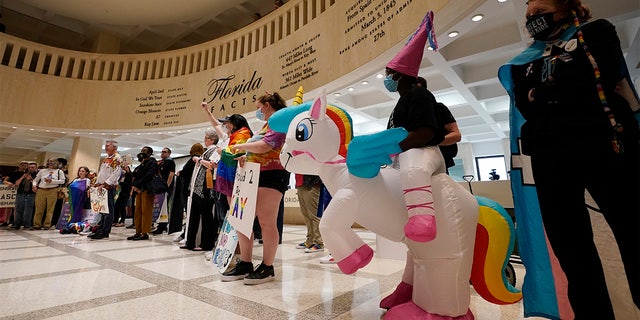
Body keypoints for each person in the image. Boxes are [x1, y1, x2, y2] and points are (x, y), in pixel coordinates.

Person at [498, 1, 639, 319]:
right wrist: (559, 90)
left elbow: (599, 76)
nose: (534, 19)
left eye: (541, 10)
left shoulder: (596, 32)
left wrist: (544, 94)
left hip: (605, 147)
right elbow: (526, 102)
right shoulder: (525, 62)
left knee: (632, 231)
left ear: (565, 7)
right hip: (551, 159)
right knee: (573, 251)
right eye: (529, 15)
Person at [221, 92, 290, 285]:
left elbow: (266, 146)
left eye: (259, 107)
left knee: (267, 220)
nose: (257, 111)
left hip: (272, 174)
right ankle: (245, 262)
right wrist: (246, 155)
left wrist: (242, 147)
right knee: (243, 219)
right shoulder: (267, 125)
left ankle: (267, 267)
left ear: (267, 105)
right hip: (254, 175)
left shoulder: (279, 123)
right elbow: (258, 148)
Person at [181, 130, 220, 251]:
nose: (205, 139)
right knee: (194, 216)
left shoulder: (215, 150)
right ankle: (190, 241)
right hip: (196, 188)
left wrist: (199, 160)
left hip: (205, 189)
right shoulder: (206, 151)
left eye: (206, 137)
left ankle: (206, 244)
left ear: (212, 140)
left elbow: (213, 165)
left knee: (207, 217)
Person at [416, 76, 461, 173]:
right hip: (416, 162)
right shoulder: (406, 114)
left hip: (438, 160)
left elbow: (456, 135)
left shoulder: (438, 108)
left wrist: (429, 142)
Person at [89, 140, 123, 240]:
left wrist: (105, 184)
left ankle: (105, 231)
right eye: (106, 146)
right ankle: (100, 229)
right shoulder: (106, 159)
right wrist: (97, 183)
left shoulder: (117, 159)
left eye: (108, 146)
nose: (106, 147)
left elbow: (116, 174)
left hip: (108, 188)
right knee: (102, 210)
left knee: (108, 210)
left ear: (115, 148)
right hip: (101, 187)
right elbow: (102, 173)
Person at [170, 143, 204, 240]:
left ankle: (186, 234)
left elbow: (187, 172)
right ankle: (187, 234)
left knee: (189, 212)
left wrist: (181, 173)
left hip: (187, 190)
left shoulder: (193, 159)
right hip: (190, 189)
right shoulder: (197, 159)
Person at [129, 146, 158, 241]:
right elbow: (135, 175)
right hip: (139, 190)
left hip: (147, 190)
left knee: (146, 212)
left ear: (150, 153)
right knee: (138, 212)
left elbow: (149, 175)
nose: (142, 152)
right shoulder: (142, 164)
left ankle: (144, 233)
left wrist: (137, 184)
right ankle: (138, 231)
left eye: (144, 151)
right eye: (141, 151)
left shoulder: (152, 162)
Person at [32, 158, 66, 230]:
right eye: (49, 161)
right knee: (39, 208)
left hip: (53, 190)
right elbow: (35, 180)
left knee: (50, 209)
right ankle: (36, 224)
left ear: (56, 162)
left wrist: (52, 181)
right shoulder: (42, 171)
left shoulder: (59, 172)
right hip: (41, 190)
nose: (51, 163)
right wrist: (34, 185)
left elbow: (62, 181)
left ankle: (47, 224)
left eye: (53, 161)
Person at [294, 174, 324, 252]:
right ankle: (310, 240)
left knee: (314, 215)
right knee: (306, 214)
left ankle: (319, 242)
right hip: (300, 182)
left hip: (312, 181)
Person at [152, 147, 175, 235]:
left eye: (164, 152)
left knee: (164, 207)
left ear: (169, 153)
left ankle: (162, 226)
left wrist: (167, 186)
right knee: (160, 206)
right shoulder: (161, 163)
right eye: (162, 152)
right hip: (159, 187)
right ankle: (162, 226)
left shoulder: (170, 162)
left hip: (165, 188)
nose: (162, 153)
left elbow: (171, 174)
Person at [3, 161, 29, 229]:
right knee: (8, 206)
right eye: (22, 165)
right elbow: (5, 180)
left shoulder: (26, 174)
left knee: (16, 208)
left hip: (20, 191)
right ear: (19, 165)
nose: (24, 167)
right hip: (11, 190)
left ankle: (15, 222)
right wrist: (8, 183)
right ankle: (6, 221)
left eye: (25, 166)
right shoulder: (13, 173)